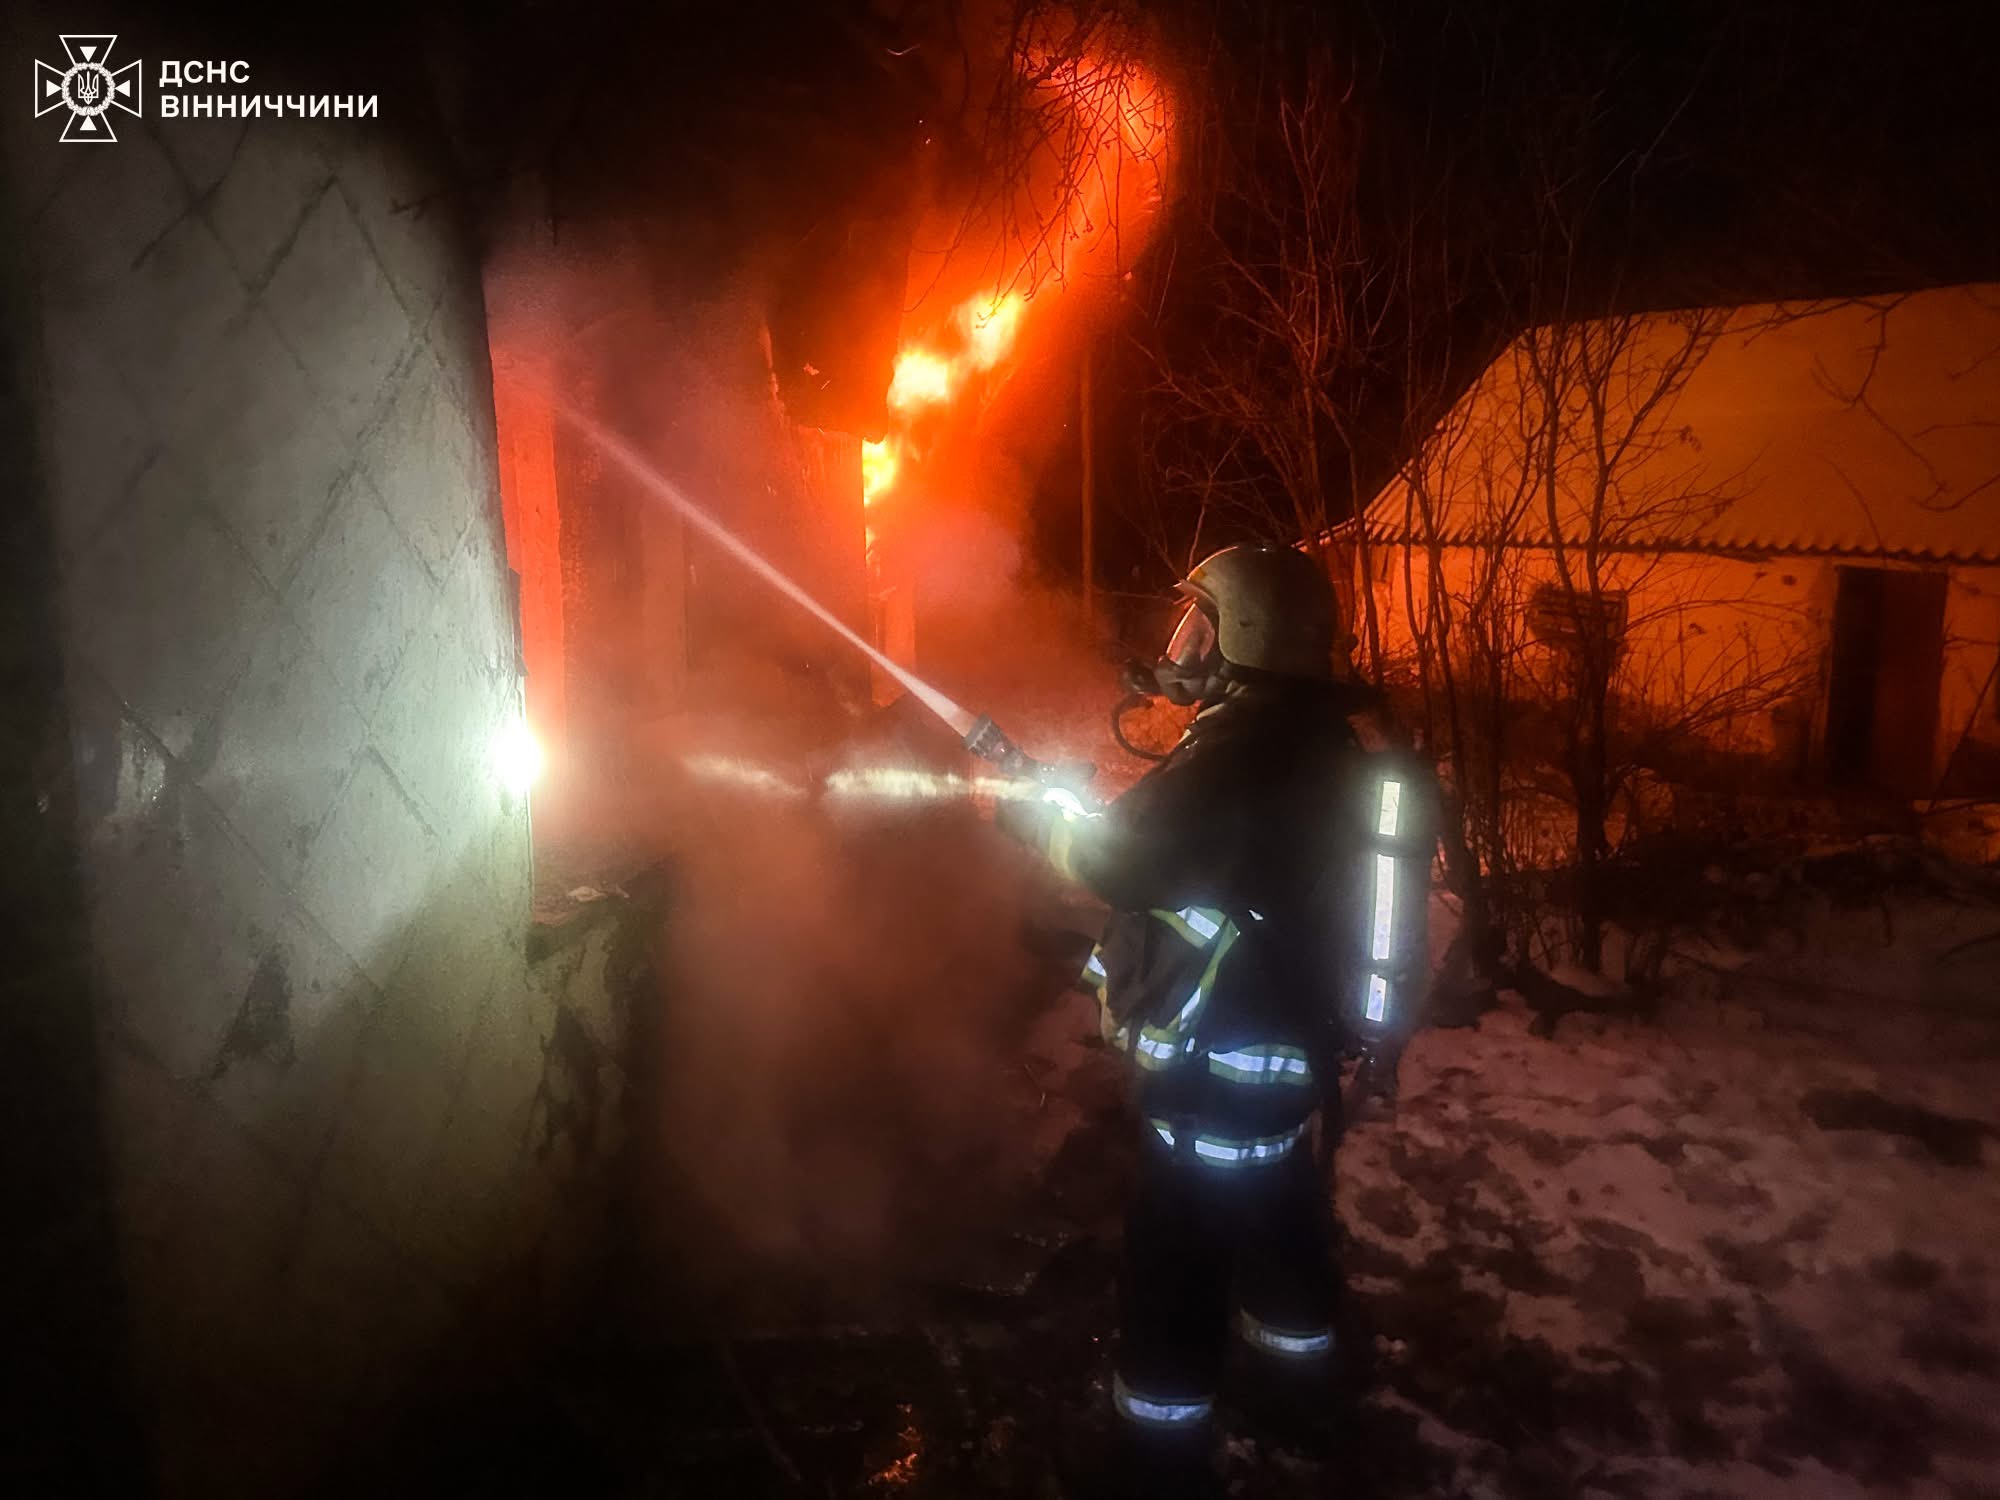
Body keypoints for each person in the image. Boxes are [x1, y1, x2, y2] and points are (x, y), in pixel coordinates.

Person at [998, 544, 1420, 1498]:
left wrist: (1038, 817)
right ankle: (1302, 1402)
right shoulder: (1318, 744)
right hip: (1283, 1060)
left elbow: (1120, 863)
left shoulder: (1240, 755)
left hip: (1215, 1070)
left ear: (1246, 637)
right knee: (1281, 1222)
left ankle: (1159, 1458)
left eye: (1198, 625)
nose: (1180, 646)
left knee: (1174, 1264)